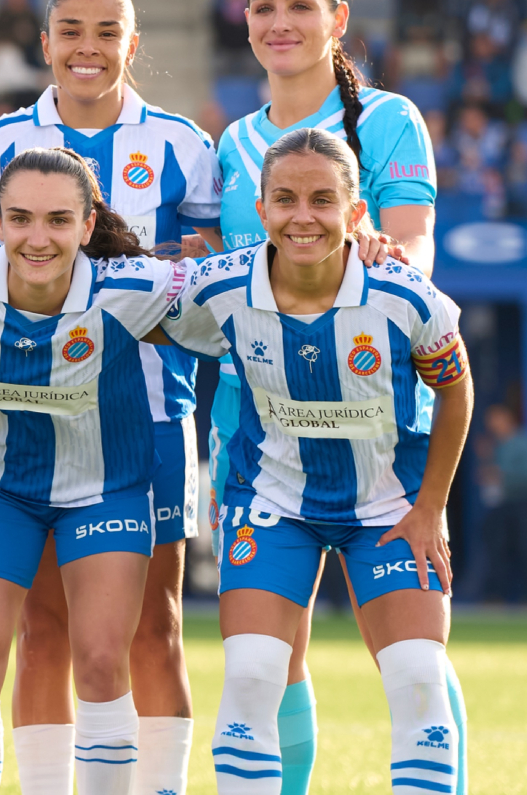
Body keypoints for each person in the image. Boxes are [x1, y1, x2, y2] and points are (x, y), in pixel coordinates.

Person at [0, 0, 220, 795]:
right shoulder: (2, 144)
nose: (88, 46)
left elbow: (210, 268)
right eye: (70, 29)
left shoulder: (182, 144)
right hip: (20, 418)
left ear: (133, 44)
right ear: (44, 43)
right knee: (42, 628)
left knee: (152, 629)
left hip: (147, 415)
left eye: (107, 31)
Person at [203, 0, 449, 795]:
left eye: (300, 5)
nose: (280, 22)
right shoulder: (232, 144)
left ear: (337, 19)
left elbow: (414, 244)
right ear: (245, 22)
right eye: (263, 6)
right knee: (272, 657)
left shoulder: (387, 120)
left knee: (413, 660)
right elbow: (215, 271)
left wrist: (386, 248)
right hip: (259, 429)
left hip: (380, 433)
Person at [161, 127, 474, 795]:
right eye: (285, 199)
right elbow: (138, 306)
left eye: (323, 200)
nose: (303, 215)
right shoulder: (218, 287)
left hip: (389, 507)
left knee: (420, 680)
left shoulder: (407, 296)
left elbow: (457, 388)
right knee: (250, 677)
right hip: (271, 500)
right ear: (264, 210)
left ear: (355, 212)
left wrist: (431, 509)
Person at [473, 404, 527, 604]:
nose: (492, 424)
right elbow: (488, 475)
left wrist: (501, 476)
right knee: (497, 548)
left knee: (523, 548)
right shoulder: (495, 445)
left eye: (496, 419)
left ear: (507, 418)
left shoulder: (523, 443)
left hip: (522, 503)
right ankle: (496, 597)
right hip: (498, 505)